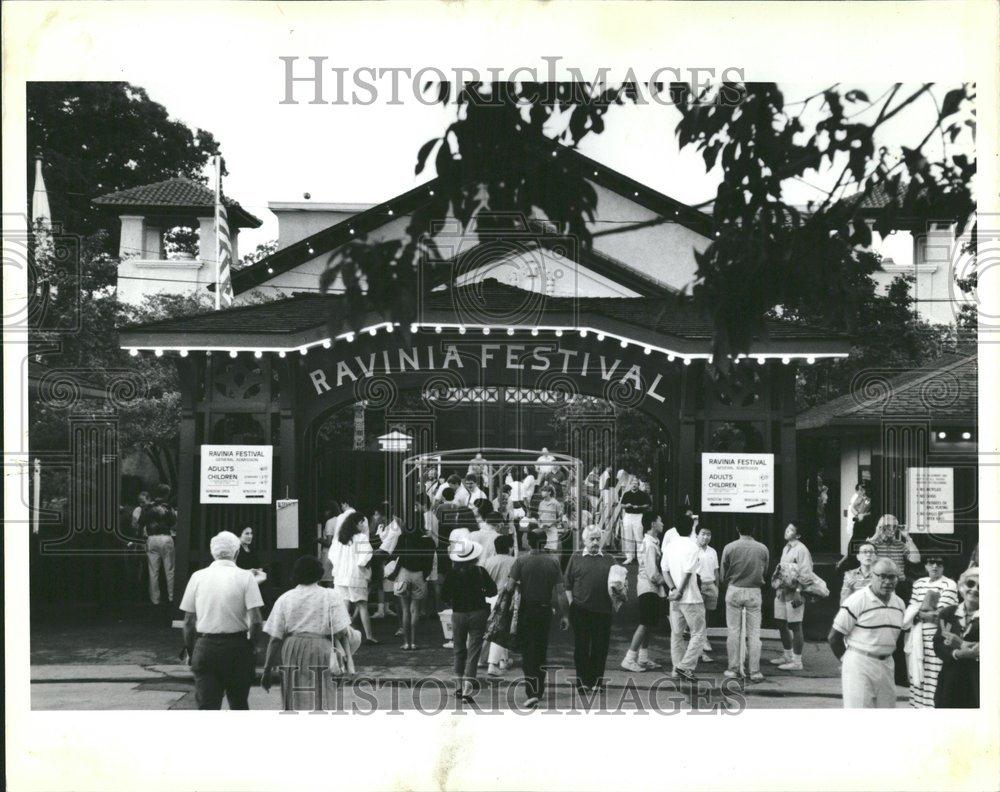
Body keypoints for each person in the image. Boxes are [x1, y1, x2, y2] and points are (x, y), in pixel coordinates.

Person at [180, 531, 264, 710]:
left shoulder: (197, 576)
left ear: (213, 553)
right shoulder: (246, 577)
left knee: (207, 706)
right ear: (236, 553)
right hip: (238, 647)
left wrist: (191, 650)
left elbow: (188, 621)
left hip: (206, 646)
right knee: (239, 704)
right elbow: (256, 620)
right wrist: (254, 647)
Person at [261, 556, 356, 709]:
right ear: (319, 573)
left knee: (294, 696)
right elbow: (342, 631)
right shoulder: (331, 596)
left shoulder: (285, 598)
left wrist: (267, 670)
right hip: (321, 647)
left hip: (292, 647)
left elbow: (275, 638)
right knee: (323, 695)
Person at [828, 559, 905, 708]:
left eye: (892, 577)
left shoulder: (899, 604)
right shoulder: (856, 600)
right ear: (873, 576)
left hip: (887, 665)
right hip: (860, 663)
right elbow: (833, 637)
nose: (888, 581)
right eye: (882, 576)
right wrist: (847, 660)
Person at [506, 528, 570, 705]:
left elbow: (509, 588)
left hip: (527, 610)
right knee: (541, 649)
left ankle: (531, 690)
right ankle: (539, 689)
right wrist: (565, 616)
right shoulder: (554, 562)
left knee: (528, 651)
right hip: (545, 610)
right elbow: (560, 592)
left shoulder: (521, 561)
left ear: (529, 543)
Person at [441, 534, 497, 701]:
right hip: (478, 613)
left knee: (458, 650)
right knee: (474, 651)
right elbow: (492, 591)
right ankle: (467, 689)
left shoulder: (452, 573)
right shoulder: (480, 572)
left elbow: (444, 596)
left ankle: (458, 686)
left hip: (458, 614)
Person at [564, 525, 617, 693]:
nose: (595, 542)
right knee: (581, 647)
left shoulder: (609, 559)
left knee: (600, 648)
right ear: (584, 540)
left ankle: (597, 682)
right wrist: (572, 603)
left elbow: (620, 583)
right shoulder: (576, 557)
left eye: (597, 539)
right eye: (591, 539)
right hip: (580, 610)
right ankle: (583, 682)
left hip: (603, 611)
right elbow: (567, 584)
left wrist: (616, 600)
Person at [905, 554, 960, 707]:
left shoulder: (949, 584)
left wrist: (919, 613)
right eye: (931, 562)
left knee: (936, 678)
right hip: (918, 639)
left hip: (937, 639)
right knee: (919, 676)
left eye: (939, 563)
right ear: (926, 566)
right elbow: (910, 611)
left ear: (943, 567)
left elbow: (941, 616)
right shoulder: (919, 583)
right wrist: (924, 611)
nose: (935, 566)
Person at [720, 521, 769, 682]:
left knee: (733, 631)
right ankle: (754, 672)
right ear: (753, 529)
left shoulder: (729, 547)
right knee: (754, 633)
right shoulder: (762, 548)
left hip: (734, 589)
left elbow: (722, 574)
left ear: (737, 529)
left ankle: (733, 669)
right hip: (754, 591)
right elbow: (765, 570)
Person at [661, 516, 706, 682]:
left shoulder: (670, 546)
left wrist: (673, 589)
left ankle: (676, 667)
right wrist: (680, 591)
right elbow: (688, 572)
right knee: (698, 633)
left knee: (676, 633)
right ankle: (684, 666)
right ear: (692, 529)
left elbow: (664, 570)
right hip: (691, 597)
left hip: (674, 598)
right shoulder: (693, 547)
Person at [621, 511, 666, 672]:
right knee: (645, 623)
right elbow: (653, 573)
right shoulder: (649, 544)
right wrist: (670, 584)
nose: (662, 524)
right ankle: (629, 658)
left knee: (649, 624)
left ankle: (643, 658)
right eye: (660, 521)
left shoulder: (653, 542)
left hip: (651, 588)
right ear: (653, 524)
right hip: (648, 588)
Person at [933, 567, 979, 708]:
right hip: (949, 684)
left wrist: (962, 644)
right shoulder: (948, 614)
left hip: (979, 685)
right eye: (970, 584)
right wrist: (958, 653)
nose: (975, 589)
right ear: (961, 586)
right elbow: (940, 644)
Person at [329, 510, 377, 643]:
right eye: (362, 523)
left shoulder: (340, 538)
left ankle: (345, 635)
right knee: (362, 605)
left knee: (344, 606)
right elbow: (365, 557)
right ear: (356, 523)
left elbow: (332, 556)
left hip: (340, 576)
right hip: (356, 575)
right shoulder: (361, 538)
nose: (363, 526)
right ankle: (369, 636)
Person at [771, 523, 813, 671]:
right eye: (786, 528)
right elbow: (783, 570)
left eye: (790, 530)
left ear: (798, 535)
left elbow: (806, 572)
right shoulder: (786, 547)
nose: (786, 531)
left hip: (794, 592)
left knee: (795, 625)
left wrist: (798, 590)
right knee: (781, 623)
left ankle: (797, 661)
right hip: (782, 591)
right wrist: (779, 587)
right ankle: (787, 655)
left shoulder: (802, 550)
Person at [392, 514, 436, 650]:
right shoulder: (428, 541)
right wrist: (425, 575)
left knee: (405, 610)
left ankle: (406, 643)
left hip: (404, 573)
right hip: (419, 575)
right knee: (415, 610)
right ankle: (414, 642)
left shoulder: (403, 537)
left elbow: (394, 555)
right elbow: (430, 561)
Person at [481, 534, 518, 676]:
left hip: (489, 598)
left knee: (491, 630)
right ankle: (497, 662)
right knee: (502, 630)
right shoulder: (514, 561)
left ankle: (502, 659)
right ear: (509, 548)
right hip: (506, 599)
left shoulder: (488, 562)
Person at [139, 483, 177, 607]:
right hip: (166, 538)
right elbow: (173, 523)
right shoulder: (168, 507)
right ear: (166, 494)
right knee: (169, 570)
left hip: (151, 539)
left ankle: (155, 599)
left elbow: (141, 523)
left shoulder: (148, 508)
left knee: (153, 571)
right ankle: (172, 597)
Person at [695, 523, 720, 662]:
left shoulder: (713, 551)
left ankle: (705, 637)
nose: (706, 537)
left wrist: (717, 586)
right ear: (697, 535)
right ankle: (699, 641)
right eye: (703, 534)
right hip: (698, 585)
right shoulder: (693, 549)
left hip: (710, 585)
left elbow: (716, 570)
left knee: (708, 613)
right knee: (698, 614)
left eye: (708, 534)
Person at [836, 482, 873, 573]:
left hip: (866, 526)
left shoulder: (872, 499)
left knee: (862, 547)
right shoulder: (859, 497)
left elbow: (874, 512)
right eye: (861, 489)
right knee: (852, 546)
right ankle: (845, 565)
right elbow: (853, 507)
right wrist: (858, 514)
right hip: (857, 525)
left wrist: (863, 515)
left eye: (864, 489)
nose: (862, 491)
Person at [373, 511, 401, 620]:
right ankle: (384, 608)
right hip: (388, 553)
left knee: (382, 581)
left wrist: (379, 531)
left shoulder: (394, 525)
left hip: (384, 552)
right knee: (384, 580)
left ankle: (382, 609)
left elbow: (383, 539)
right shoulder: (396, 525)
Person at [620, 475, 652, 564]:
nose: (634, 485)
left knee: (639, 537)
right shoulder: (626, 494)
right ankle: (629, 557)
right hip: (628, 515)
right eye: (633, 483)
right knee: (628, 536)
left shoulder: (643, 494)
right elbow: (622, 505)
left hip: (638, 516)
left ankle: (640, 558)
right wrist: (626, 505)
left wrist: (639, 506)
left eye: (636, 484)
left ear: (638, 485)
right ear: (630, 484)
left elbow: (648, 505)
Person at [536, 486, 565, 552]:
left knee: (551, 550)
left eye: (544, 491)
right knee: (541, 551)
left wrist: (551, 523)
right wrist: (540, 524)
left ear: (549, 492)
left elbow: (560, 517)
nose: (542, 493)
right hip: (542, 529)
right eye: (542, 491)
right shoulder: (541, 503)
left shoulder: (555, 503)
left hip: (552, 529)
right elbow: (539, 516)